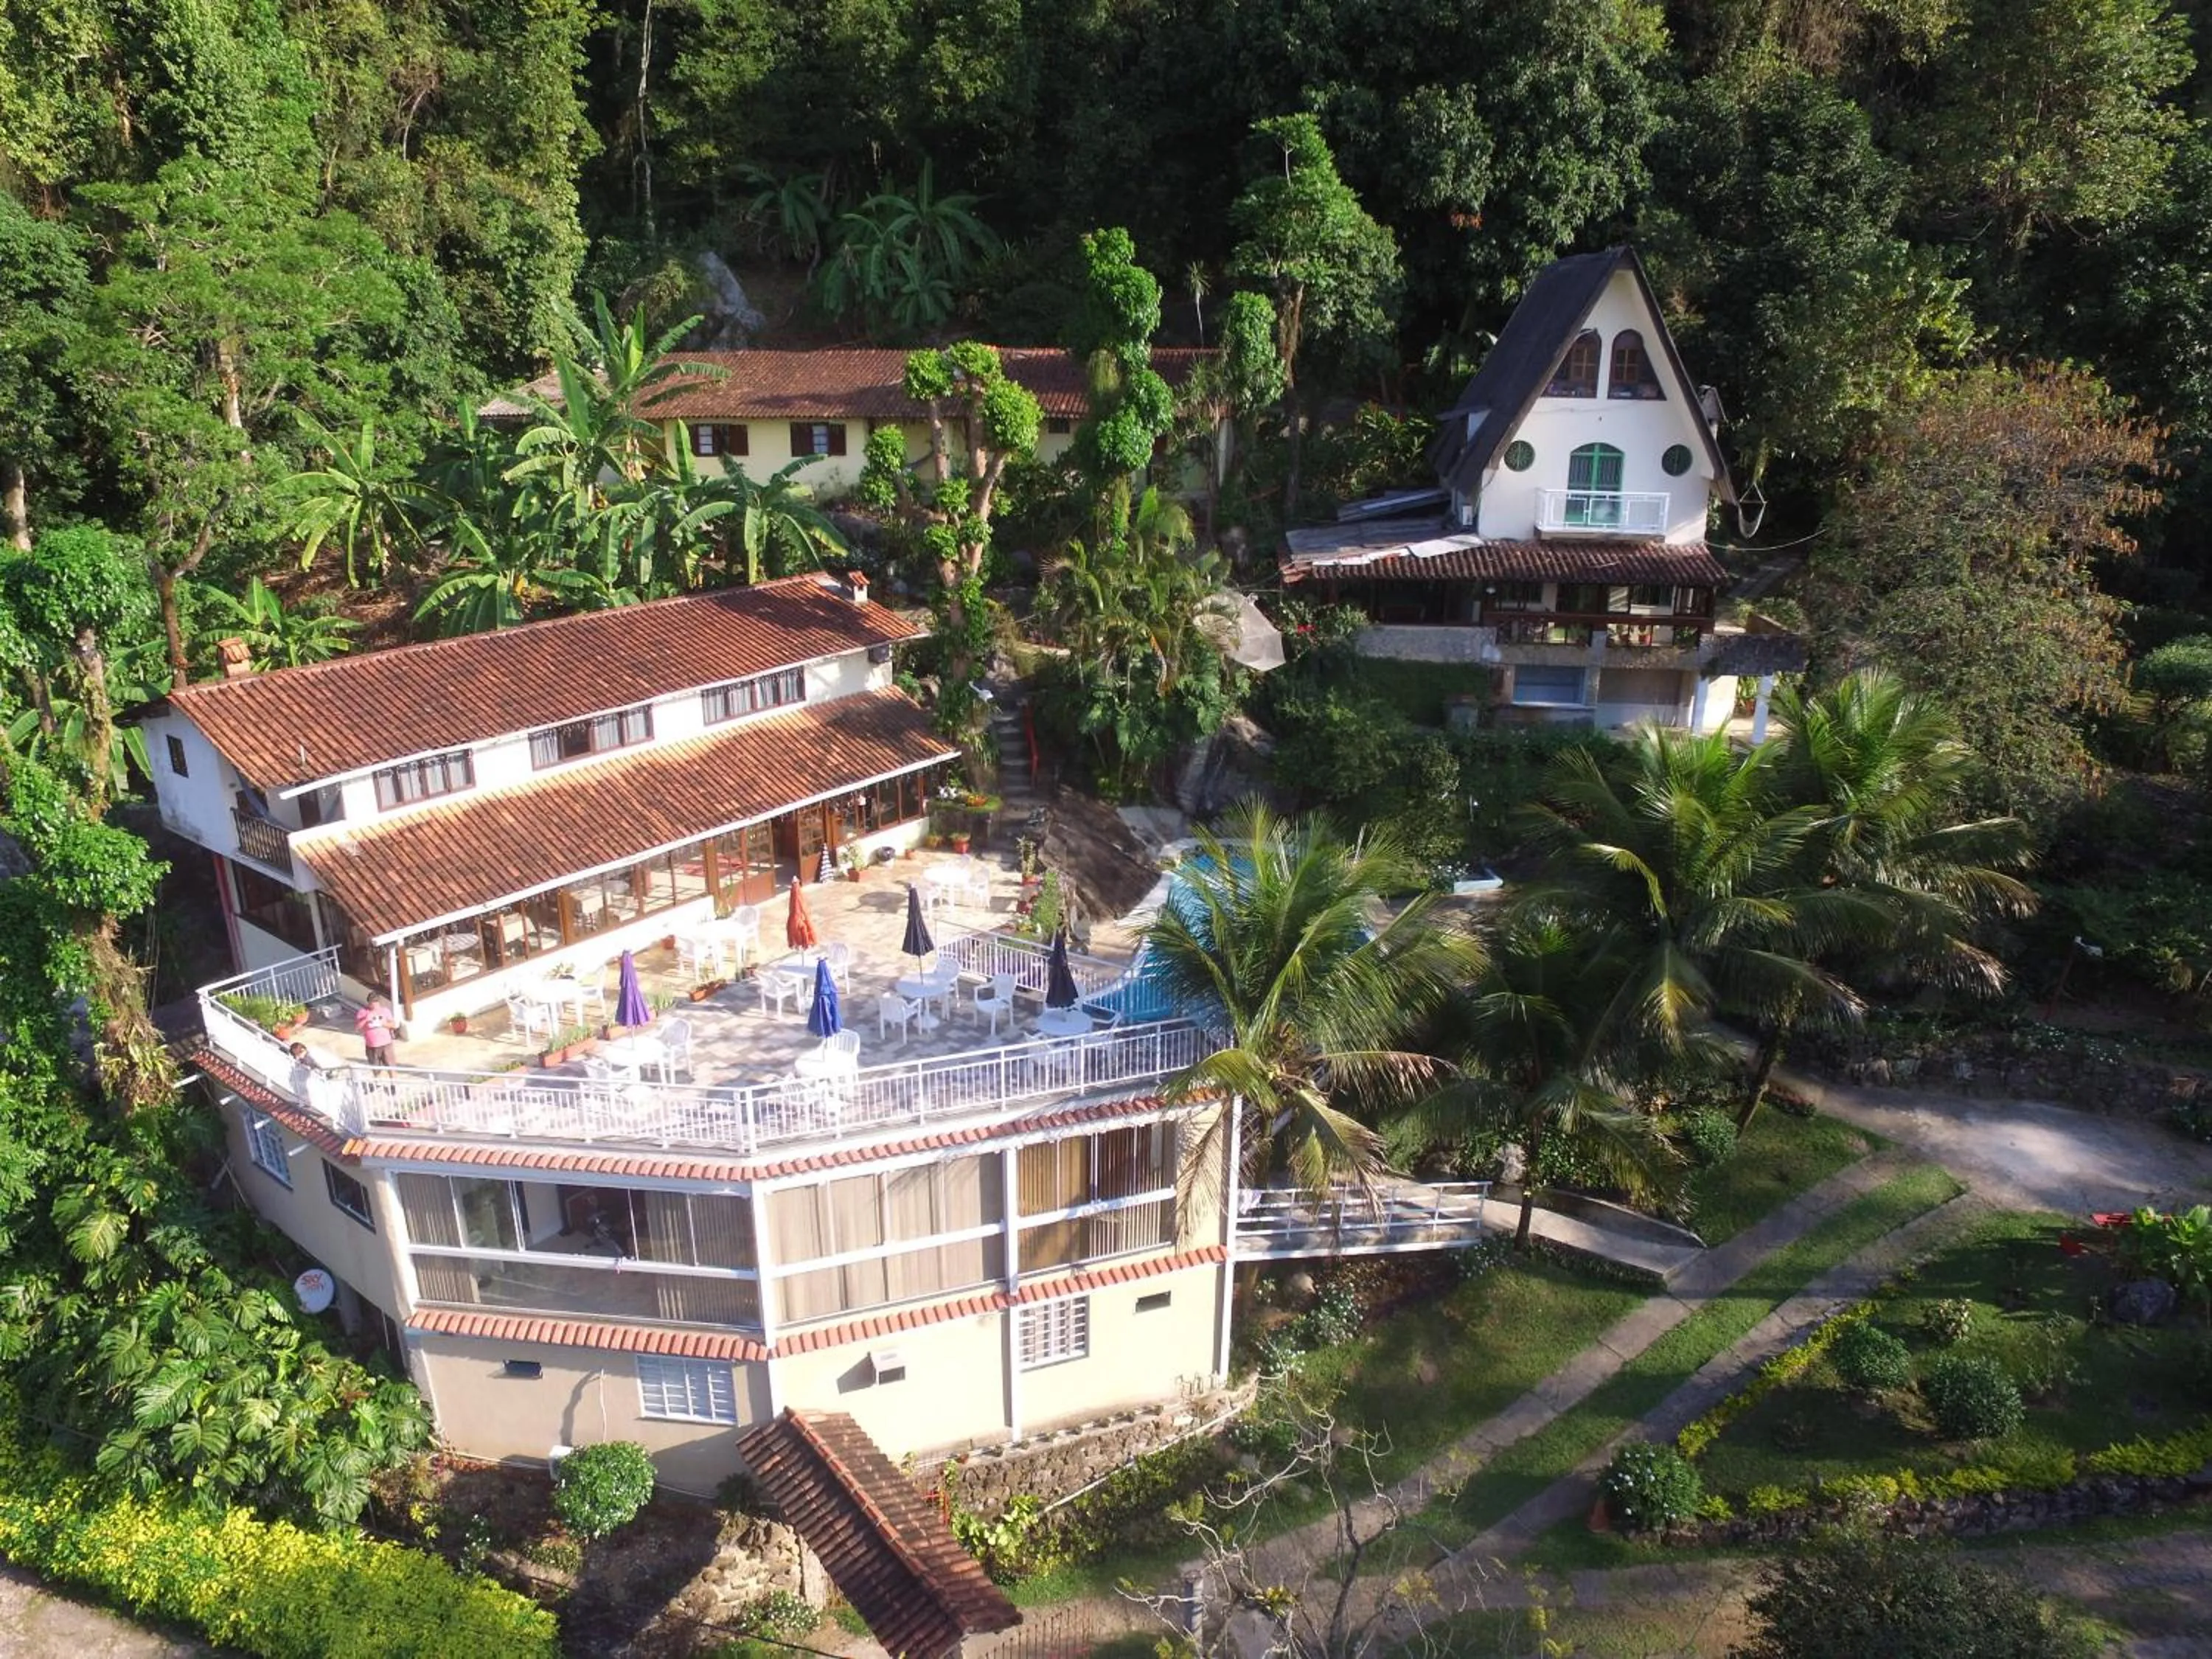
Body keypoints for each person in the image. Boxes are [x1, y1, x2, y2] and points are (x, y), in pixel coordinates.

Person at [355, 994, 400, 1066]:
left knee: (391, 1067)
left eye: (376, 1002)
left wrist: (383, 1024)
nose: (375, 1005)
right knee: (376, 1070)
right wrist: (366, 1019)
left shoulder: (385, 1011)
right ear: (369, 1003)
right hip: (372, 1046)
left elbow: (393, 1026)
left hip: (386, 1044)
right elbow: (357, 1028)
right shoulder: (363, 1012)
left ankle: (393, 1078)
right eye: (373, 1003)